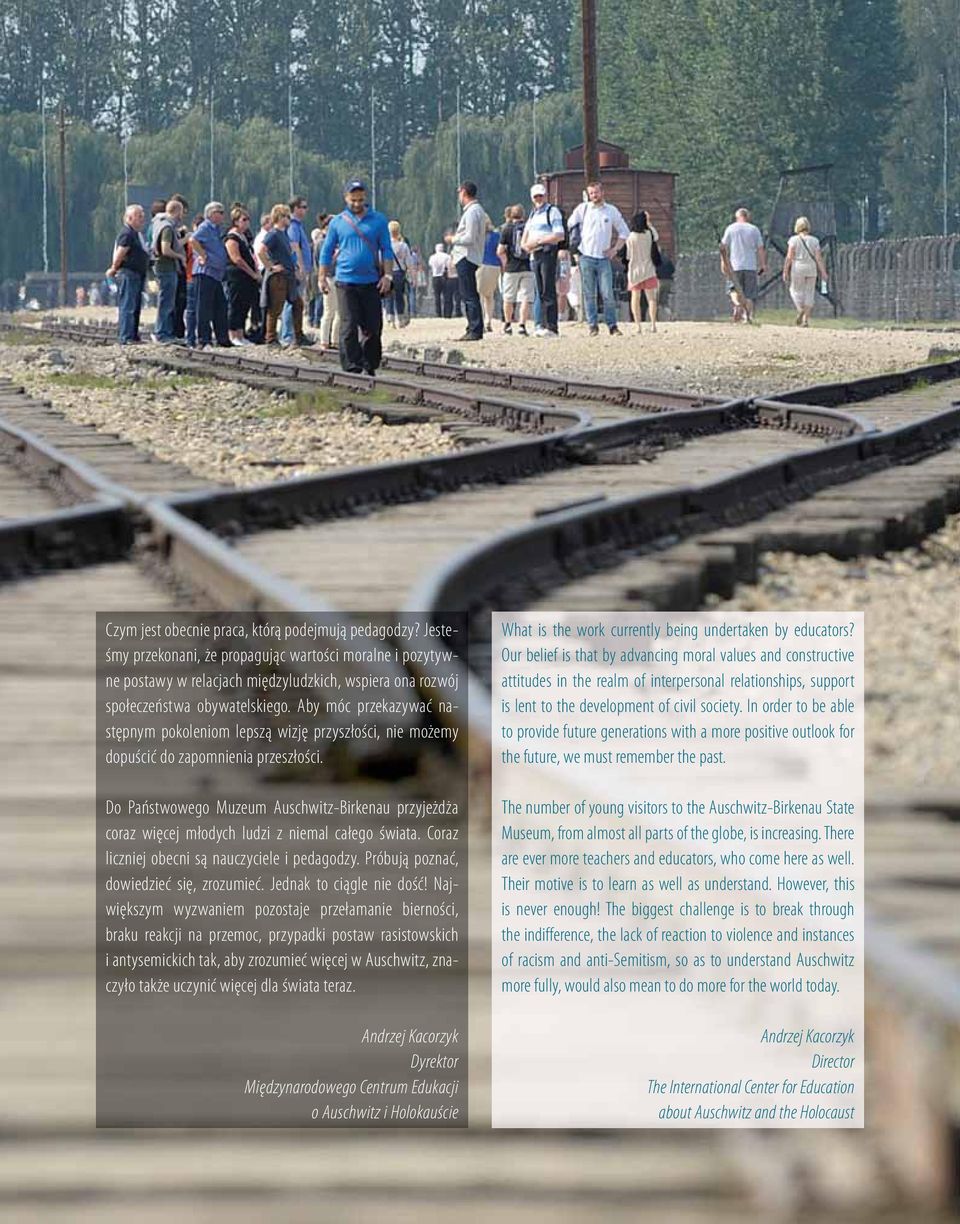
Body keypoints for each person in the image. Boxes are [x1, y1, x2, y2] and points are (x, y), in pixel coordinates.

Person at [317, 178, 394, 375]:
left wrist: (388, 276)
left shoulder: (378, 220)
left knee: (373, 326)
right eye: (353, 200)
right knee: (348, 324)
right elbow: (326, 252)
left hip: (371, 282)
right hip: (345, 281)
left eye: (360, 200)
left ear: (365, 198)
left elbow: (386, 250)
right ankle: (351, 365)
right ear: (346, 198)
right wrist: (322, 277)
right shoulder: (338, 222)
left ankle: (370, 363)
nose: (357, 204)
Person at [568, 181, 629, 336]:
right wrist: (573, 247)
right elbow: (569, 225)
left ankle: (612, 325)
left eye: (596, 193)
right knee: (589, 293)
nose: (594, 196)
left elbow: (624, 232)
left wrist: (614, 250)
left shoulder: (611, 211)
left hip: (603, 258)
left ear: (602, 192)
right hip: (586, 256)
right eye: (591, 193)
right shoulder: (583, 209)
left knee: (607, 293)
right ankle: (592, 325)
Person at [521, 184, 564, 338]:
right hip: (535, 255)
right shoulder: (532, 215)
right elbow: (525, 236)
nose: (538, 199)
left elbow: (559, 234)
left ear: (545, 196)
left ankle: (552, 326)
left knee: (548, 289)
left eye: (541, 196)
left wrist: (539, 241)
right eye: (536, 197)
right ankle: (542, 324)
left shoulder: (552, 212)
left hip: (547, 253)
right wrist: (527, 246)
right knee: (540, 290)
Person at [450, 182, 489, 341]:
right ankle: (473, 326)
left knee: (469, 294)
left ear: (464, 192)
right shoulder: (476, 211)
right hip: (469, 256)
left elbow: (470, 237)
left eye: (460, 192)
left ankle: (475, 328)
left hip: (466, 256)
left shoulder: (472, 212)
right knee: (468, 293)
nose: (459, 196)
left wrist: (453, 239)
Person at [106, 204, 149, 345]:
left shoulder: (136, 234)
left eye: (142, 215)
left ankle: (133, 335)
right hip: (128, 273)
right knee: (128, 306)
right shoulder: (127, 233)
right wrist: (113, 268)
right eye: (139, 216)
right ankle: (126, 337)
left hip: (137, 274)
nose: (142, 219)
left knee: (135, 306)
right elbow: (121, 252)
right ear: (129, 218)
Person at [191, 201, 230, 348]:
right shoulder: (205, 227)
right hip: (205, 272)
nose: (222, 215)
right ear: (211, 214)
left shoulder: (217, 229)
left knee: (220, 306)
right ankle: (203, 339)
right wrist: (203, 255)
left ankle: (222, 338)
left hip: (216, 273)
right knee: (204, 307)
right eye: (219, 212)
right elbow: (193, 240)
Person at [260, 204, 299, 347]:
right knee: (275, 307)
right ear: (279, 218)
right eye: (286, 216)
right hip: (279, 276)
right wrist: (270, 267)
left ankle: (298, 335)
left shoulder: (284, 234)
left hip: (288, 275)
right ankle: (270, 338)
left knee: (297, 303)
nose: (289, 219)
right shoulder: (274, 234)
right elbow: (261, 251)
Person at [720, 207, 766, 323]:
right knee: (749, 294)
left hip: (734, 266)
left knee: (733, 289)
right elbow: (760, 249)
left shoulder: (730, 228)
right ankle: (748, 316)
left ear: (737, 217)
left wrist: (723, 262)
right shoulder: (754, 229)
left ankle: (737, 305)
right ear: (748, 217)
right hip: (750, 266)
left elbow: (723, 248)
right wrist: (763, 264)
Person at [782, 216, 828, 327]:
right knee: (809, 293)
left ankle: (800, 309)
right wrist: (823, 272)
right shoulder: (815, 240)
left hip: (798, 267)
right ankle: (806, 320)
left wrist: (785, 270)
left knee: (795, 290)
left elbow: (789, 257)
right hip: (811, 268)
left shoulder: (793, 240)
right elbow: (818, 258)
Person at [224, 206, 260, 346]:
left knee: (244, 305)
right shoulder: (232, 237)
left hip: (247, 278)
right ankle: (233, 335)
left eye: (248, 219)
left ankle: (241, 333)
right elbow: (237, 259)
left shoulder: (244, 237)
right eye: (243, 220)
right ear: (236, 221)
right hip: (237, 276)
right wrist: (251, 273)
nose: (247, 223)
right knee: (236, 305)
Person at [151, 198, 186, 343]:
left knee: (166, 301)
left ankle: (164, 332)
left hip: (163, 268)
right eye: (182, 212)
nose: (182, 216)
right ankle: (162, 333)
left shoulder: (158, 223)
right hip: (166, 268)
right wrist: (180, 256)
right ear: (176, 211)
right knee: (167, 302)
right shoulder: (167, 227)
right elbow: (165, 249)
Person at [498, 204, 533, 336]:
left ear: (510, 215)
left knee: (508, 297)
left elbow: (500, 250)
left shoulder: (507, 229)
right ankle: (522, 325)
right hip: (527, 267)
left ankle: (507, 324)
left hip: (511, 268)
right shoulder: (528, 228)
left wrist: (505, 262)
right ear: (523, 215)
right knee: (525, 298)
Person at [625, 210, 660, 334]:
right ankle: (653, 324)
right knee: (651, 298)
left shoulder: (631, 237)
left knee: (635, 298)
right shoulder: (649, 234)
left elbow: (628, 255)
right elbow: (657, 237)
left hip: (634, 270)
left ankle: (638, 326)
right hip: (649, 269)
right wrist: (650, 223)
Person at [387, 220, 412, 328]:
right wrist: (410, 274)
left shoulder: (386, 246)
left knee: (389, 296)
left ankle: (390, 318)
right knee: (399, 296)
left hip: (388, 272)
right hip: (399, 273)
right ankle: (400, 318)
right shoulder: (403, 246)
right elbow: (409, 262)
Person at [478, 225, 501, 332]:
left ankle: (480, 320)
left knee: (479, 295)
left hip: (480, 265)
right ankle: (488, 320)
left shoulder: (477, 236)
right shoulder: (497, 236)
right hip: (494, 266)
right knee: (489, 295)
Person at [428, 243, 449, 316]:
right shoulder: (447, 256)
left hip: (435, 276)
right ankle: (446, 313)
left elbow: (430, 265)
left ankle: (438, 313)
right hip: (444, 276)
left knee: (437, 296)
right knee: (446, 295)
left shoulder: (432, 257)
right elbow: (448, 266)